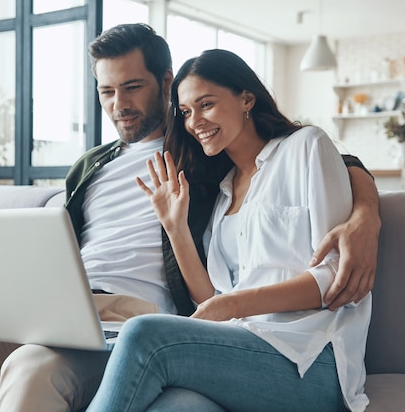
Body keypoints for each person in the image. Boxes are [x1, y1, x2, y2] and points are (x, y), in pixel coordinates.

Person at [0, 24, 377, 412]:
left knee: (30, 368)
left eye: (132, 88)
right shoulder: (92, 165)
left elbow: (318, 157)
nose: (119, 105)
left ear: (164, 82)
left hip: (128, 317)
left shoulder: (201, 153)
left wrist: (365, 216)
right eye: (107, 92)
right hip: (56, 304)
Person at [87, 49, 372, 411]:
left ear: (246, 98)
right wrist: (175, 227)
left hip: (312, 359)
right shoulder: (224, 192)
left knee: (144, 332)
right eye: (186, 112)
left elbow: (337, 277)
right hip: (241, 351)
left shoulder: (306, 147)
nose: (194, 122)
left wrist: (233, 304)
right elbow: (211, 298)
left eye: (206, 104)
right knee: (177, 406)